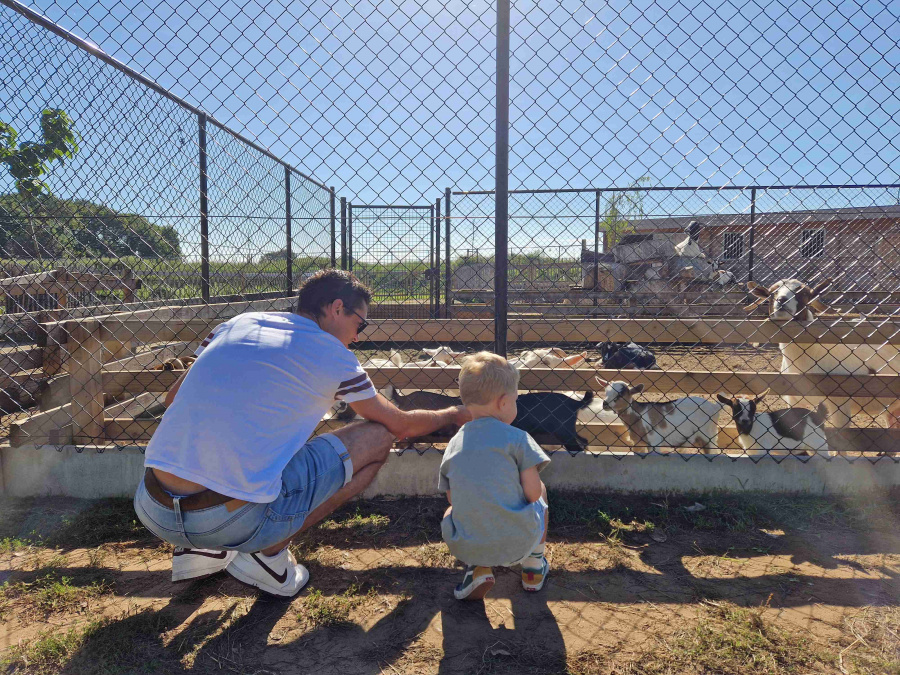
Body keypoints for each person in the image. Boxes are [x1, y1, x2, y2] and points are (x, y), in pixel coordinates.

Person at [134, 269, 470, 597]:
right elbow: (400, 425)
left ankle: (199, 552)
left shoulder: (239, 323)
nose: (357, 336)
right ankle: (267, 558)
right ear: (337, 308)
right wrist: (454, 413)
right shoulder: (334, 355)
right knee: (378, 437)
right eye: (359, 324)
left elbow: (173, 398)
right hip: (226, 520)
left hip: (153, 507)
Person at [438, 351, 551, 601]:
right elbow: (532, 494)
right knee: (541, 491)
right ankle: (533, 567)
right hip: (518, 542)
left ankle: (476, 568)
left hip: (469, 544)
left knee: (451, 512)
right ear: (503, 403)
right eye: (515, 400)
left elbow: (452, 498)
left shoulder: (455, 444)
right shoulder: (519, 439)